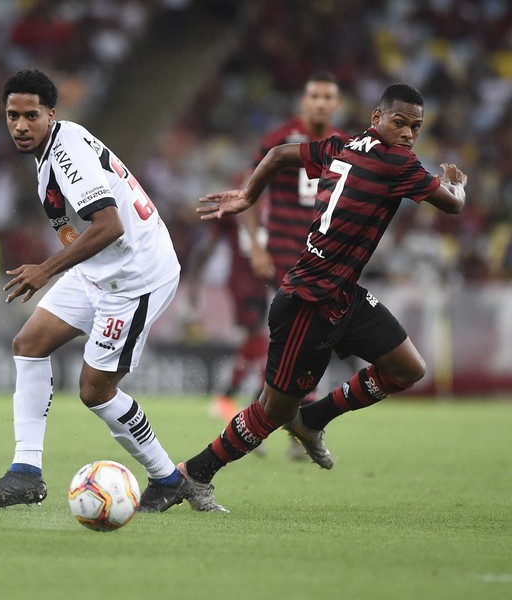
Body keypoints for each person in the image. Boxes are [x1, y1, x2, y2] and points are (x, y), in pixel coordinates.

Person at [172, 83, 467, 513]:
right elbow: (453, 206)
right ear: (377, 118)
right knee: (271, 412)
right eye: (399, 122)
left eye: (415, 127)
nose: (407, 134)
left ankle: (312, 420)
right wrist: (457, 184)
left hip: (343, 294)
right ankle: (193, 475)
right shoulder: (396, 163)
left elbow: (276, 156)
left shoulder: (341, 144)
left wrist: (249, 195)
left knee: (406, 368)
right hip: (309, 301)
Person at [0, 69, 185, 513]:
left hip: (136, 277)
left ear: (51, 113)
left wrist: (45, 269)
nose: (21, 126)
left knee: (95, 391)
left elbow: (108, 224)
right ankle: (24, 474)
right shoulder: (52, 146)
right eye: (12, 116)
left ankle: (169, 478)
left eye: (31, 115)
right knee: (29, 344)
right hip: (98, 269)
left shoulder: (67, 153)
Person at [234, 72, 346, 458]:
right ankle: (287, 424)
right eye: (313, 95)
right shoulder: (277, 140)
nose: (319, 102)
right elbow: (248, 194)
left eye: (326, 96)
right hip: (286, 256)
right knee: (299, 339)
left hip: (327, 258)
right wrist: (255, 246)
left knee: (309, 342)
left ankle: (261, 419)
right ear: (303, 101)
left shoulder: (347, 146)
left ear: (336, 103)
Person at [184, 212, 269, 426]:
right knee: (259, 337)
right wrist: (194, 278)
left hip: (263, 279)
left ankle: (226, 398)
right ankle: (254, 404)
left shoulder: (274, 199)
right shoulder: (237, 204)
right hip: (242, 283)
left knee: (255, 338)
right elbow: (209, 243)